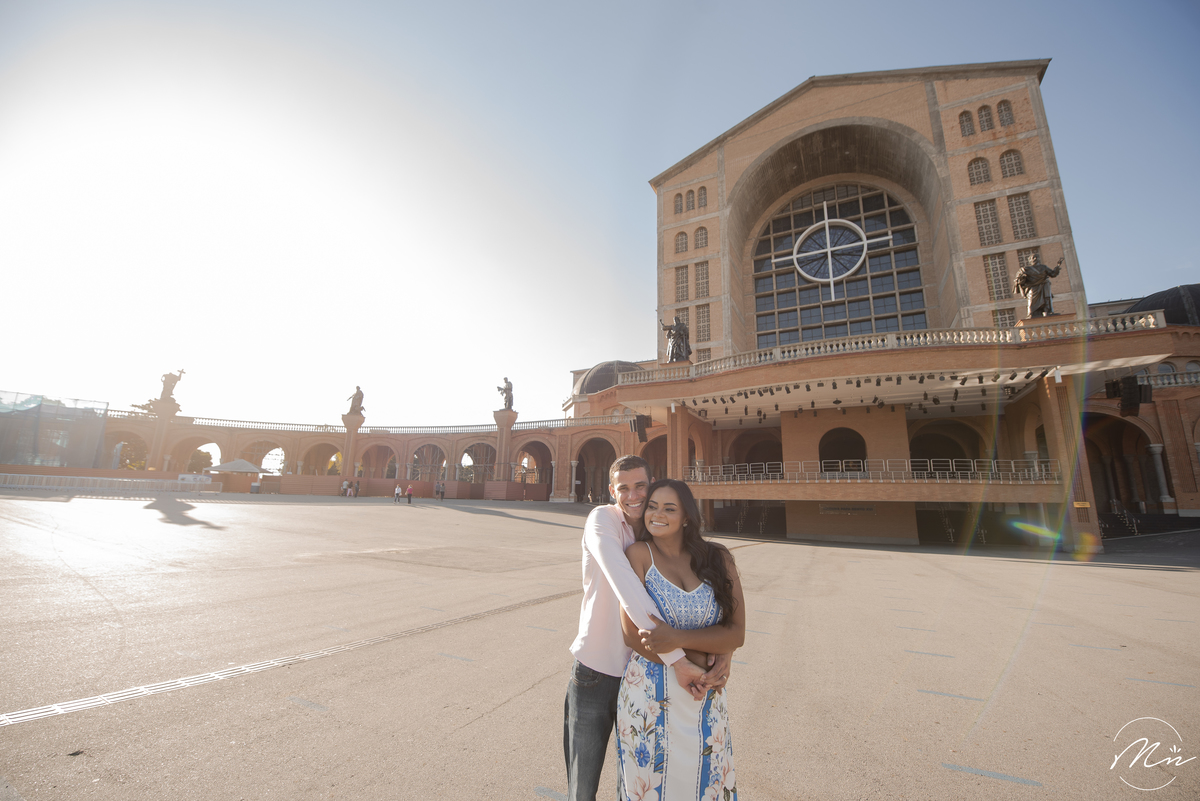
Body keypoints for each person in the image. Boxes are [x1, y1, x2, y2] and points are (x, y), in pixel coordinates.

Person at [564, 455, 730, 801]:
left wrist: (722, 648)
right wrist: (680, 659)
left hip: (648, 676)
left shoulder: (657, 532)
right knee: (583, 786)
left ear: (651, 485)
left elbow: (701, 602)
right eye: (623, 488)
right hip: (598, 670)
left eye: (641, 486)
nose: (633, 495)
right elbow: (626, 585)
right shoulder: (602, 520)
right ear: (612, 491)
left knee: (638, 780)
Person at [616, 479, 744, 800]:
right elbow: (632, 634)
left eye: (669, 508)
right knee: (651, 789)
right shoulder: (638, 555)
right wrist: (702, 650)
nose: (657, 514)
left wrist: (676, 638)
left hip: (705, 697)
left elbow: (737, 632)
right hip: (648, 698)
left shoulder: (719, 558)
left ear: (687, 516)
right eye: (652, 507)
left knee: (707, 786)